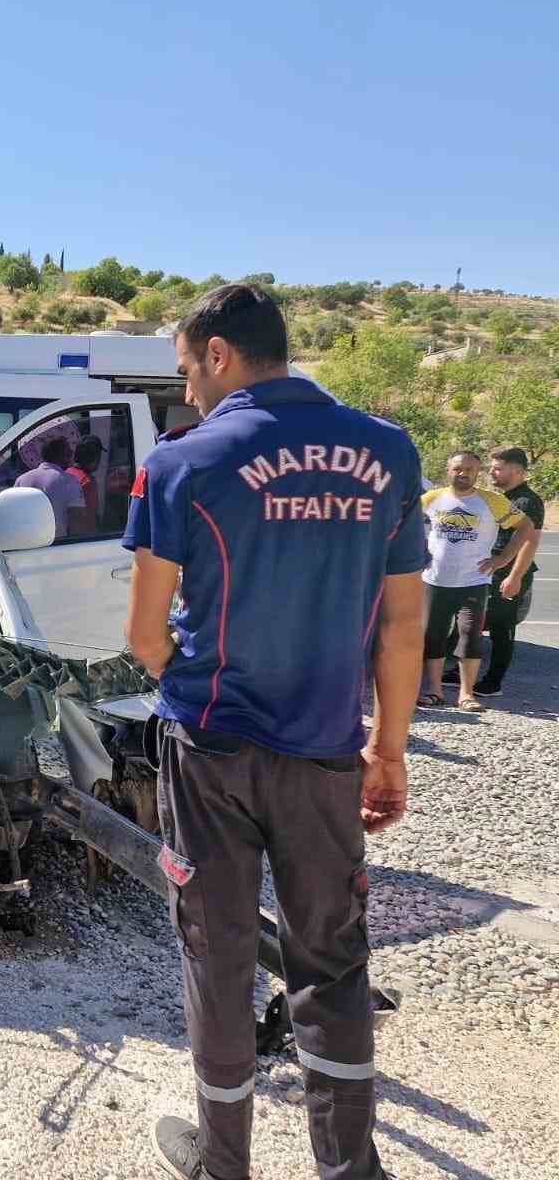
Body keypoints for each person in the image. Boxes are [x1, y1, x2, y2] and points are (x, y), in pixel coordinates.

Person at [123, 283, 426, 1180]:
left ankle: (224, 1165)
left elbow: (143, 636)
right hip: (328, 752)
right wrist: (390, 749)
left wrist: (183, 677)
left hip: (212, 749)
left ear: (217, 354)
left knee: (218, 955)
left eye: (185, 369)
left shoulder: (183, 460)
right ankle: (348, 1169)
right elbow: (404, 625)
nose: (184, 392)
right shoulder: (390, 452)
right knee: (331, 963)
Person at [417, 450, 534, 711]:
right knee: (432, 636)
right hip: (435, 580)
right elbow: (404, 524)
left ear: (477, 472)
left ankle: (466, 695)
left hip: (473, 581)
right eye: (458, 468)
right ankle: (434, 692)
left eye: (469, 469)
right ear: (449, 471)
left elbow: (525, 527)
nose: (463, 473)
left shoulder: (492, 501)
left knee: (470, 635)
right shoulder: (432, 499)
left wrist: (502, 560)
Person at [444, 446, 544, 696]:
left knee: (502, 628)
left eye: (498, 469)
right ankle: (462, 671)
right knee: (475, 623)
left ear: (518, 471)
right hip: (489, 573)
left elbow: (530, 541)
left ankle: (493, 682)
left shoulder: (527, 501)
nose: (492, 473)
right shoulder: (502, 498)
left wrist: (515, 577)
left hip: (508, 575)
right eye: (491, 468)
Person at [15, 435, 84, 538]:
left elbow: (14, 516)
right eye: (69, 453)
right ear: (62, 456)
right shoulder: (69, 481)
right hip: (57, 545)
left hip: (26, 546)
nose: (72, 457)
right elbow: (77, 519)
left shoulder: (21, 480)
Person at [66, 436, 106, 531]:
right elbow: (88, 518)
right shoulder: (87, 482)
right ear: (94, 458)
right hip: (84, 539)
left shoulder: (66, 474)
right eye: (99, 456)